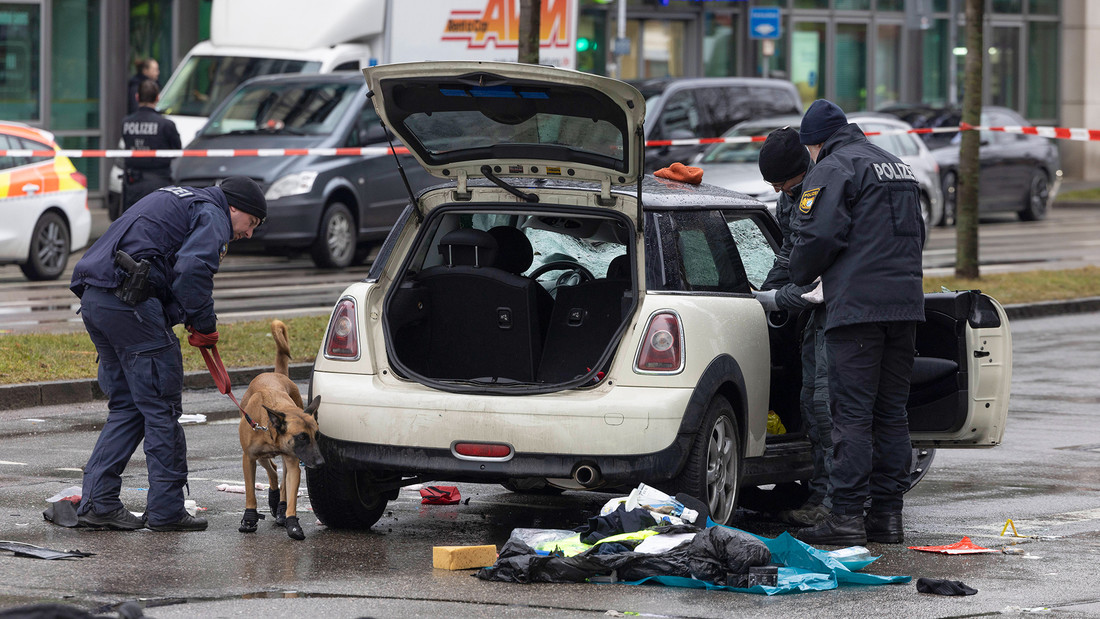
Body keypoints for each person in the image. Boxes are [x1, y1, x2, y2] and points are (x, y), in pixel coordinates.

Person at [69, 176, 267, 532]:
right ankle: (166, 511)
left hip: (97, 300)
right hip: (129, 304)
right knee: (161, 409)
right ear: (234, 207)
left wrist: (182, 314)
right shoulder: (214, 215)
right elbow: (191, 271)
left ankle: (97, 502)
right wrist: (204, 325)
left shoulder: (179, 196)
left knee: (129, 406)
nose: (248, 233)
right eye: (250, 223)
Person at [788, 99, 925, 546]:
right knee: (891, 414)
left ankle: (847, 517)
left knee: (851, 417)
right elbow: (917, 235)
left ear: (815, 143)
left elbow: (818, 235)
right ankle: (888, 517)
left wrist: (799, 276)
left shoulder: (833, 167)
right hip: (904, 307)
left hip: (857, 312)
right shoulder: (896, 166)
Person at [750, 126, 833, 528]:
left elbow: (822, 277)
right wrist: (766, 292)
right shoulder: (789, 198)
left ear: (804, 169)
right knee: (809, 403)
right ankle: (810, 488)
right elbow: (788, 253)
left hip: (837, 313)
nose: (780, 190)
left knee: (826, 407)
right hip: (810, 317)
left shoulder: (825, 193)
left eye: (784, 182)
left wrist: (778, 300)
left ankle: (833, 500)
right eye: (773, 184)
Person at [120, 79, 181, 215]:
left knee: (133, 224)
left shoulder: (126, 122)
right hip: (159, 183)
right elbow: (177, 150)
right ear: (158, 98)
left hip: (132, 185)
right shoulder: (166, 125)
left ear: (137, 97)